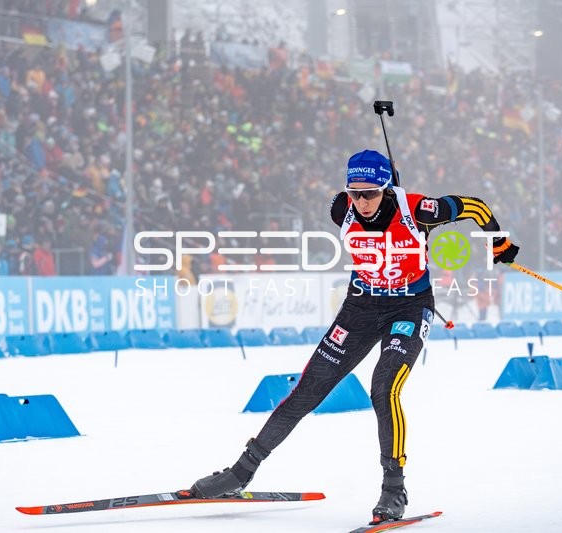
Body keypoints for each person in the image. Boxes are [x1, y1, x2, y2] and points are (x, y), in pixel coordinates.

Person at [183, 150, 520, 523]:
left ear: (386, 188)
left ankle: (394, 489)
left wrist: (499, 243)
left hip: (409, 308)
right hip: (360, 307)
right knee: (307, 391)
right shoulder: (340, 208)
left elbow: (475, 208)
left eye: (371, 193)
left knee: (384, 389)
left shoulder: (420, 210)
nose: (362, 202)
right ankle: (240, 472)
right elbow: (358, 205)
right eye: (355, 192)